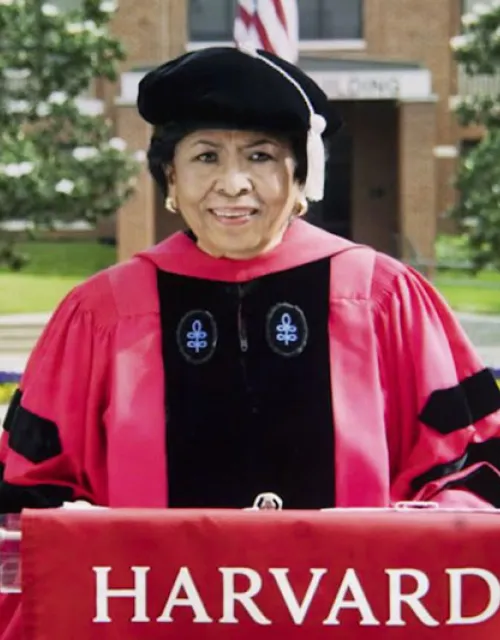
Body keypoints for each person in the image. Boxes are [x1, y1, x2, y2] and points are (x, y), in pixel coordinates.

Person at [1, 44, 500, 516]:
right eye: (205, 157)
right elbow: (32, 486)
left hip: (349, 600)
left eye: (260, 156)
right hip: (156, 604)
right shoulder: (104, 311)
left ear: (301, 178)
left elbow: (470, 465)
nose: (234, 184)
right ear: (170, 179)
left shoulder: (382, 296)